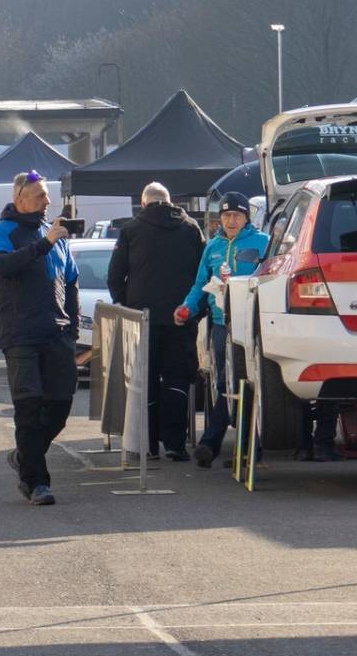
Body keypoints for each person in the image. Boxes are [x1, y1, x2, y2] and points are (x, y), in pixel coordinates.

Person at [0, 173, 80, 504]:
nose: (47, 201)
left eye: (46, 195)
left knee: (60, 406)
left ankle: (25, 455)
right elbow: (2, 266)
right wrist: (45, 244)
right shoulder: (2, 231)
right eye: (40, 195)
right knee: (28, 407)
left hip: (57, 333)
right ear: (21, 199)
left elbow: (71, 281)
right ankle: (36, 482)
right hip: (20, 333)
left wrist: (71, 328)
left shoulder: (54, 234)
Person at [107, 181, 205, 462]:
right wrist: (195, 312)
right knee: (177, 380)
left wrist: (127, 304)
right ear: (171, 201)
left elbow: (115, 276)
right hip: (181, 318)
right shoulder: (191, 229)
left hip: (142, 317)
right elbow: (202, 274)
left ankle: (147, 445)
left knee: (144, 382)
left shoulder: (131, 230)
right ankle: (175, 444)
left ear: (144, 203)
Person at [178, 191, 268, 467]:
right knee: (224, 385)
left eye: (237, 216)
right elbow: (200, 284)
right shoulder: (212, 247)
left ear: (246, 218)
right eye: (227, 215)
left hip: (252, 326)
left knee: (250, 385)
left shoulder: (263, 242)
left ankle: (236, 448)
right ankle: (219, 446)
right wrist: (187, 307)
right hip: (220, 324)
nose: (231, 221)